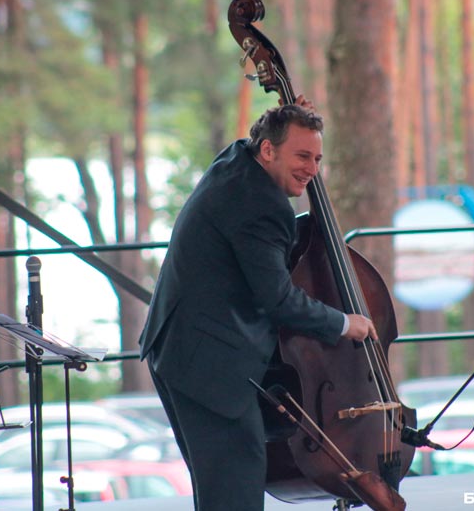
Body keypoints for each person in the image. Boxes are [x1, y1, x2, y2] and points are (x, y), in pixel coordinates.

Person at [138, 97, 377, 511]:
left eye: (317, 158)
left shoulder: (235, 161)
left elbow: (262, 140)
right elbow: (279, 300)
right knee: (235, 492)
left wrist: (287, 117)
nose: (311, 169)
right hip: (208, 367)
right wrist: (344, 323)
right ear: (268, 150)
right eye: (301, 156)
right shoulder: (264, 207)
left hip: (178, 348)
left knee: (220, 490)